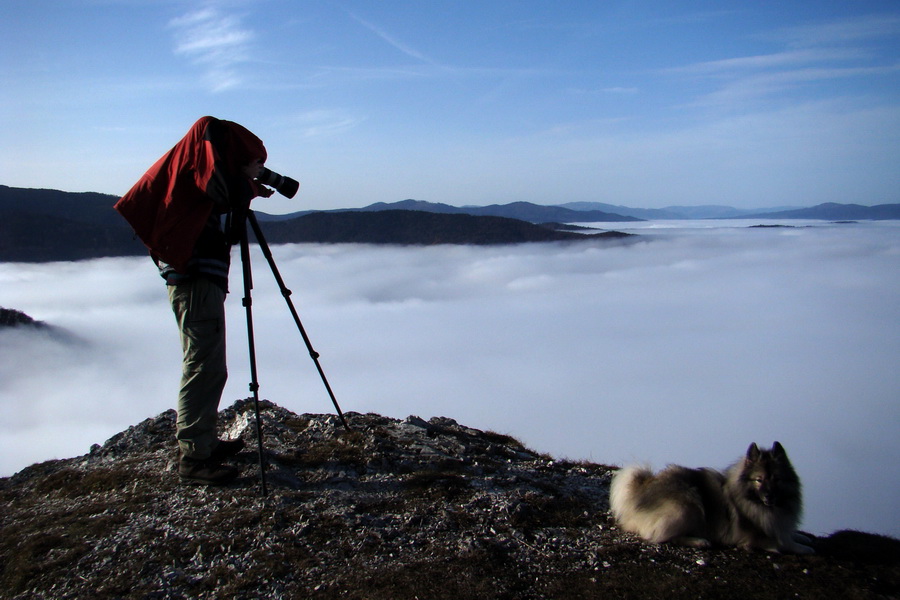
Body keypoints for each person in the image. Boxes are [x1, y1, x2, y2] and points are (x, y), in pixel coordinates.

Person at [115, 116, 274, 485]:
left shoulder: (194, 161)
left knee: (206, 361)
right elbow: (223, 192)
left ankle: (203, 442)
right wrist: (246, 183)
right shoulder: (206, 155)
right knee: (205, 364)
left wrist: (247, 185)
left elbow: (217, 200)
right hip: (195, 277)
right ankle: (195, 458)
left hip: (194, 275)